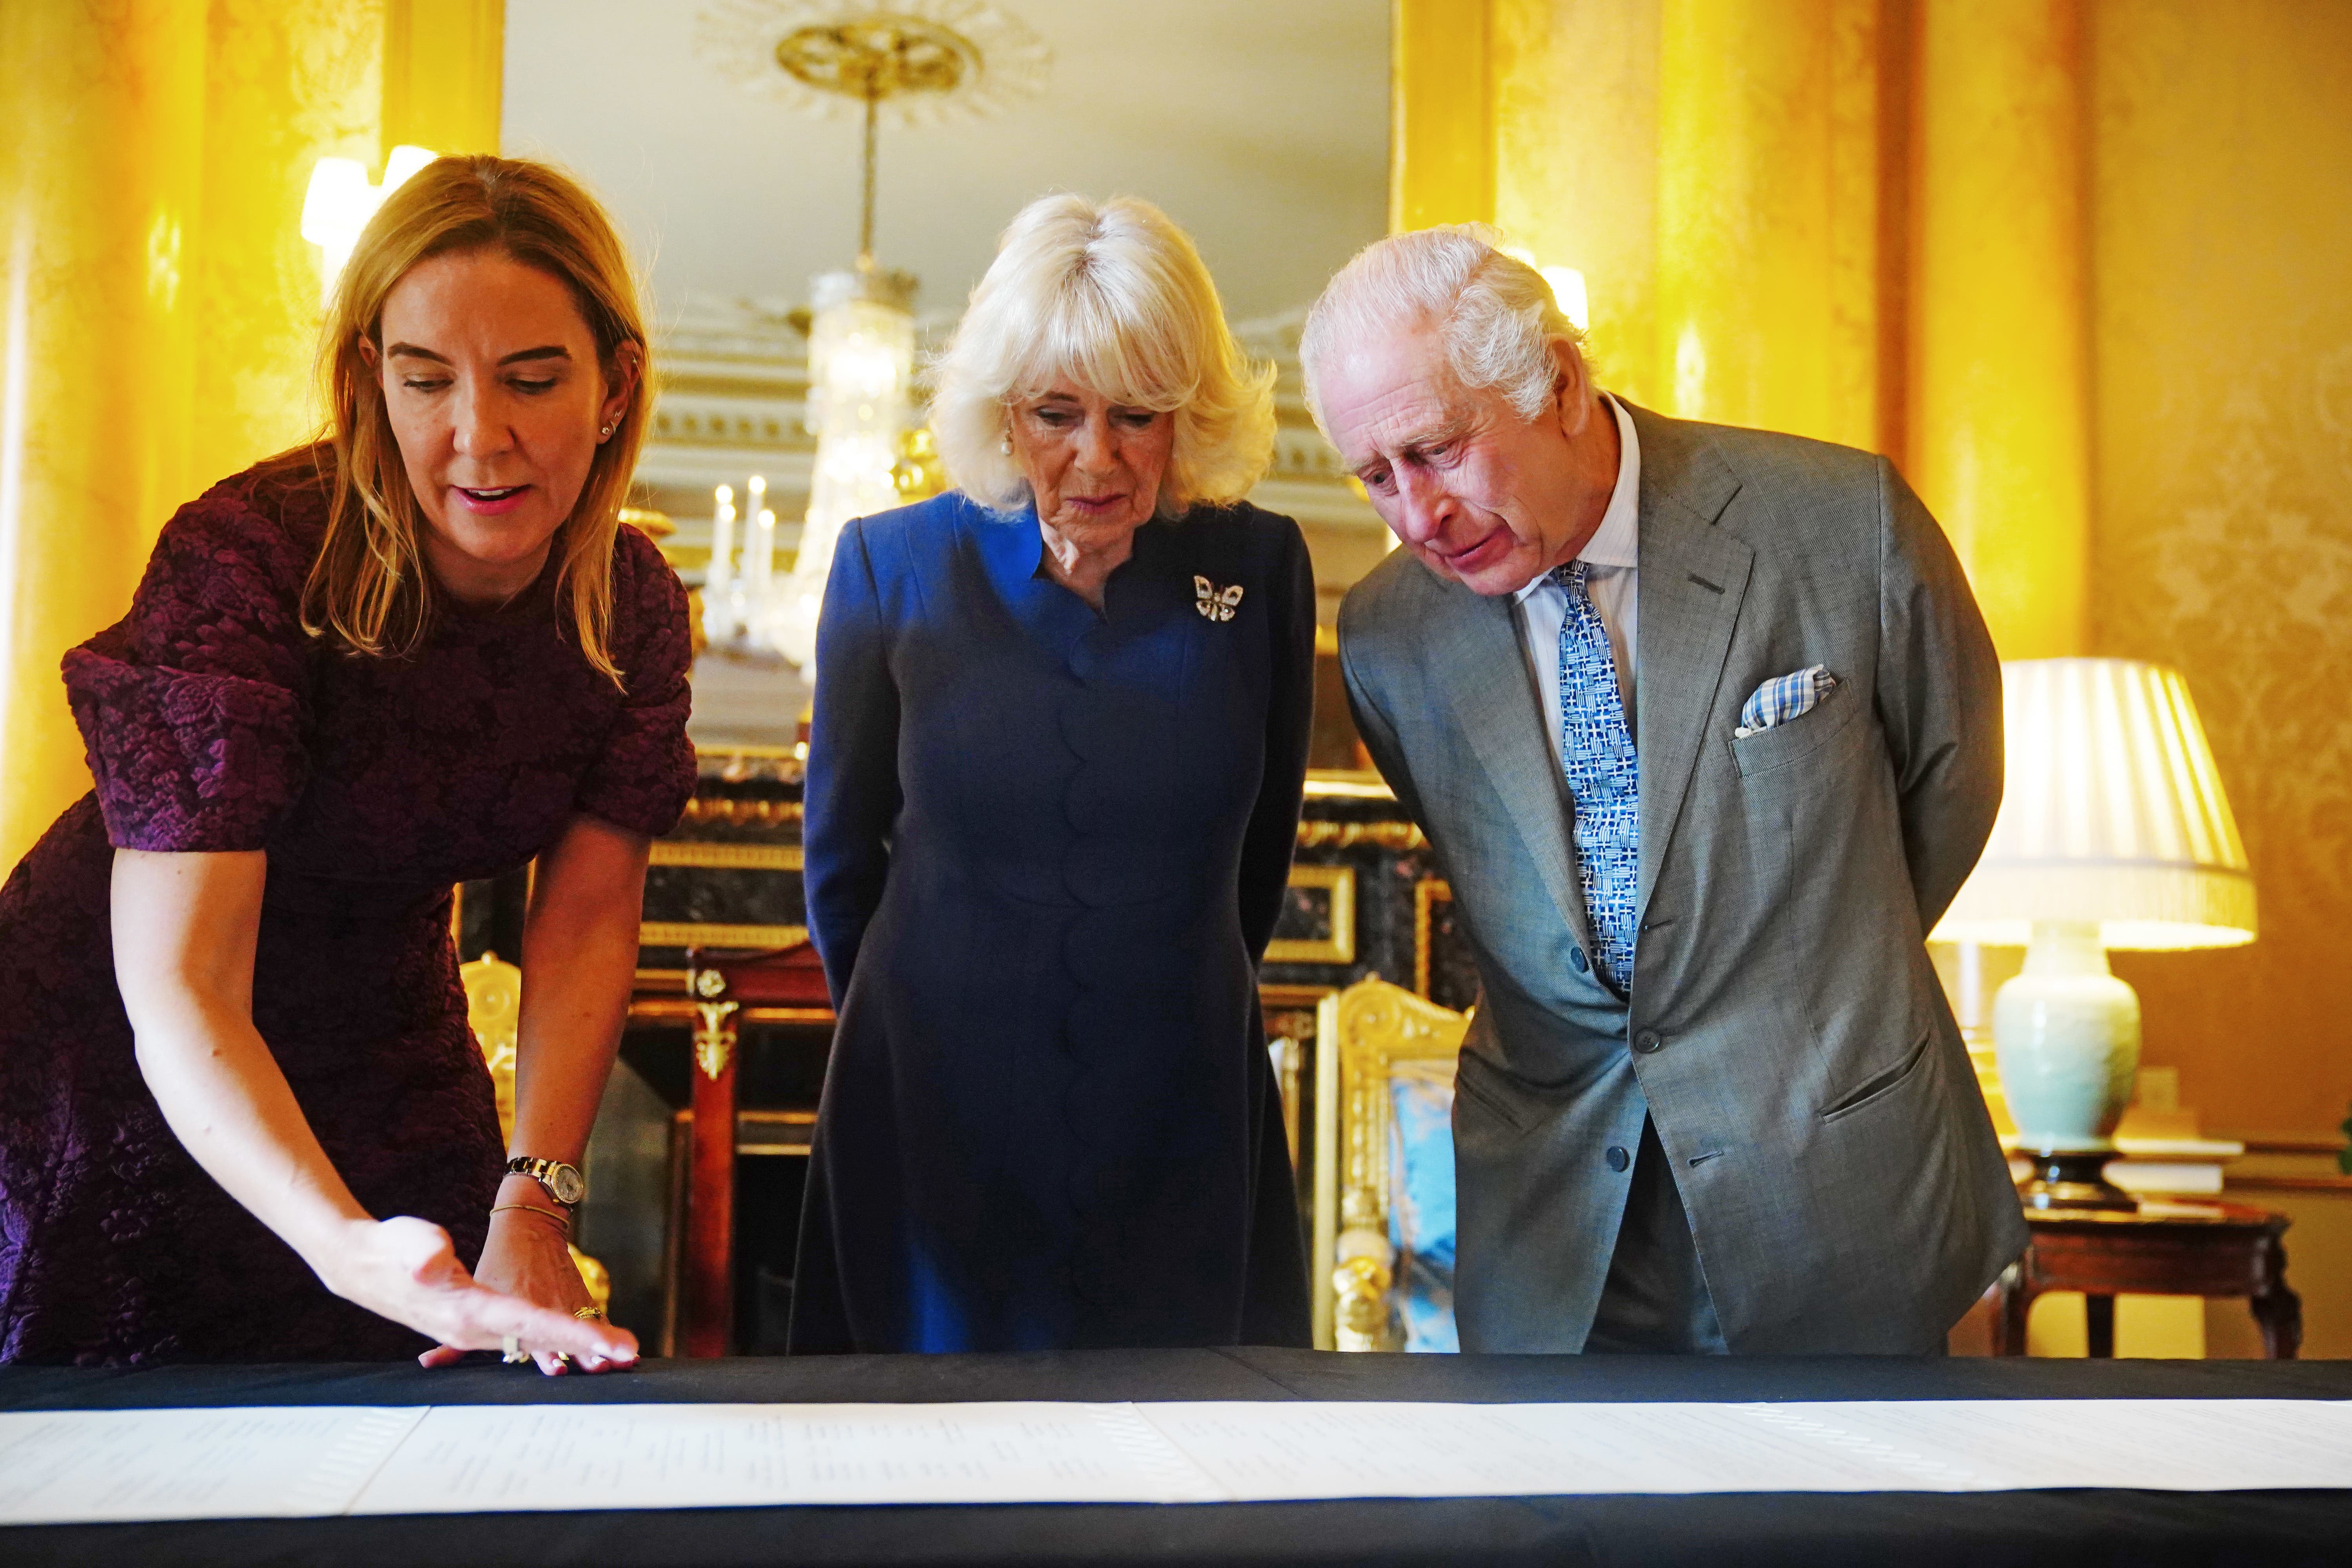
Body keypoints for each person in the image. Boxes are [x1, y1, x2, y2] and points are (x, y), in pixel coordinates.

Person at [0, 156, 692, 1371]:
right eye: (428, 381)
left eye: (534, 379)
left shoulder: (630, 608)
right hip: (120, 1040)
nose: (481, 437)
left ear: (616, 384)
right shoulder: (250, 558)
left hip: (385, 1034)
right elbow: (188, 980)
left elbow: (584, 921)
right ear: (375, 379)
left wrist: (536, 1202)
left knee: (440, 1400)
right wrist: (338, 1242)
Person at [1302, 226, 2025, 1355]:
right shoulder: (1392, 636)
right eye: (1374, 475)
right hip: (1555, 1217)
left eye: (1437, 451)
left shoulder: (1844, 527)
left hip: (1829, 1181)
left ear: (1559, 383)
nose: (1412, 516)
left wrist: (1804, 978)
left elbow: (1950, 787)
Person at [794, 193, 1315, 1354]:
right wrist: (910, 1032)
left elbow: (1259, 859)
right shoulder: (890, 566)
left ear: (1192, 415)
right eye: (1055, 412)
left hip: (1178, 1094)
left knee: (1180, 1472)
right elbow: (839, 866)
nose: (1098, 456)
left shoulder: (1260, 565)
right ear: (1000, 412)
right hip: (931, 1089)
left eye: (1140, 414)